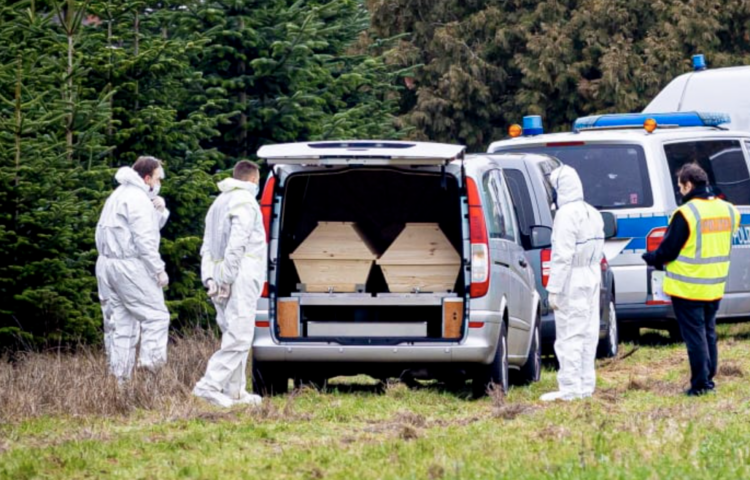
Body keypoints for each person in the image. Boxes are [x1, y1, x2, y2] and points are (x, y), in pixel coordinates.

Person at [642, 163, 739, 396]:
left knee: (695, 336)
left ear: (689, 185)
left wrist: (651, 257)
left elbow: (668, 250)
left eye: (680, 186)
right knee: (708, 332)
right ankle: (709, 377)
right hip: (714, 285)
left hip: (687, 287)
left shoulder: (686, 213)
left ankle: (701, 384)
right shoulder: (729, 210)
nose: (680, 191)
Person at [193, 160, 267, 407]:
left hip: (219, 275)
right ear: (253, 180)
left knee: (231, 332)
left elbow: (207, 246)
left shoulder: (219, 202)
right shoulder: (245, 202)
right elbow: (237, 244)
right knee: (240, 335)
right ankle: (209, 385)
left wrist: (210, 277)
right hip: (239, 275)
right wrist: (227, 277)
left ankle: (235, 391)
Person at [95, 156, 170, 382]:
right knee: (156, 316)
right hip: (130, 265)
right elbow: (144, 240)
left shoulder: (119, 194)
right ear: (147, 178)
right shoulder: (137, 199)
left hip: (107, 265)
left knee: (121, 325)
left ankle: (120, 382)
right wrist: (158, 269)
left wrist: (159, 211)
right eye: (157, 178)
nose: (159, 183)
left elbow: (129, 229)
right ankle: (151, 374)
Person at [540, 165, 605, 402]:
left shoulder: (566, 215)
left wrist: (554, 289)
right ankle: (585, 385)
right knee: (588, 333)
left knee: (569, 334)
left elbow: (562, 255)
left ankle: (569, 389)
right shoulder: (592, 212)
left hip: (573, 279)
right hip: (592, 276)